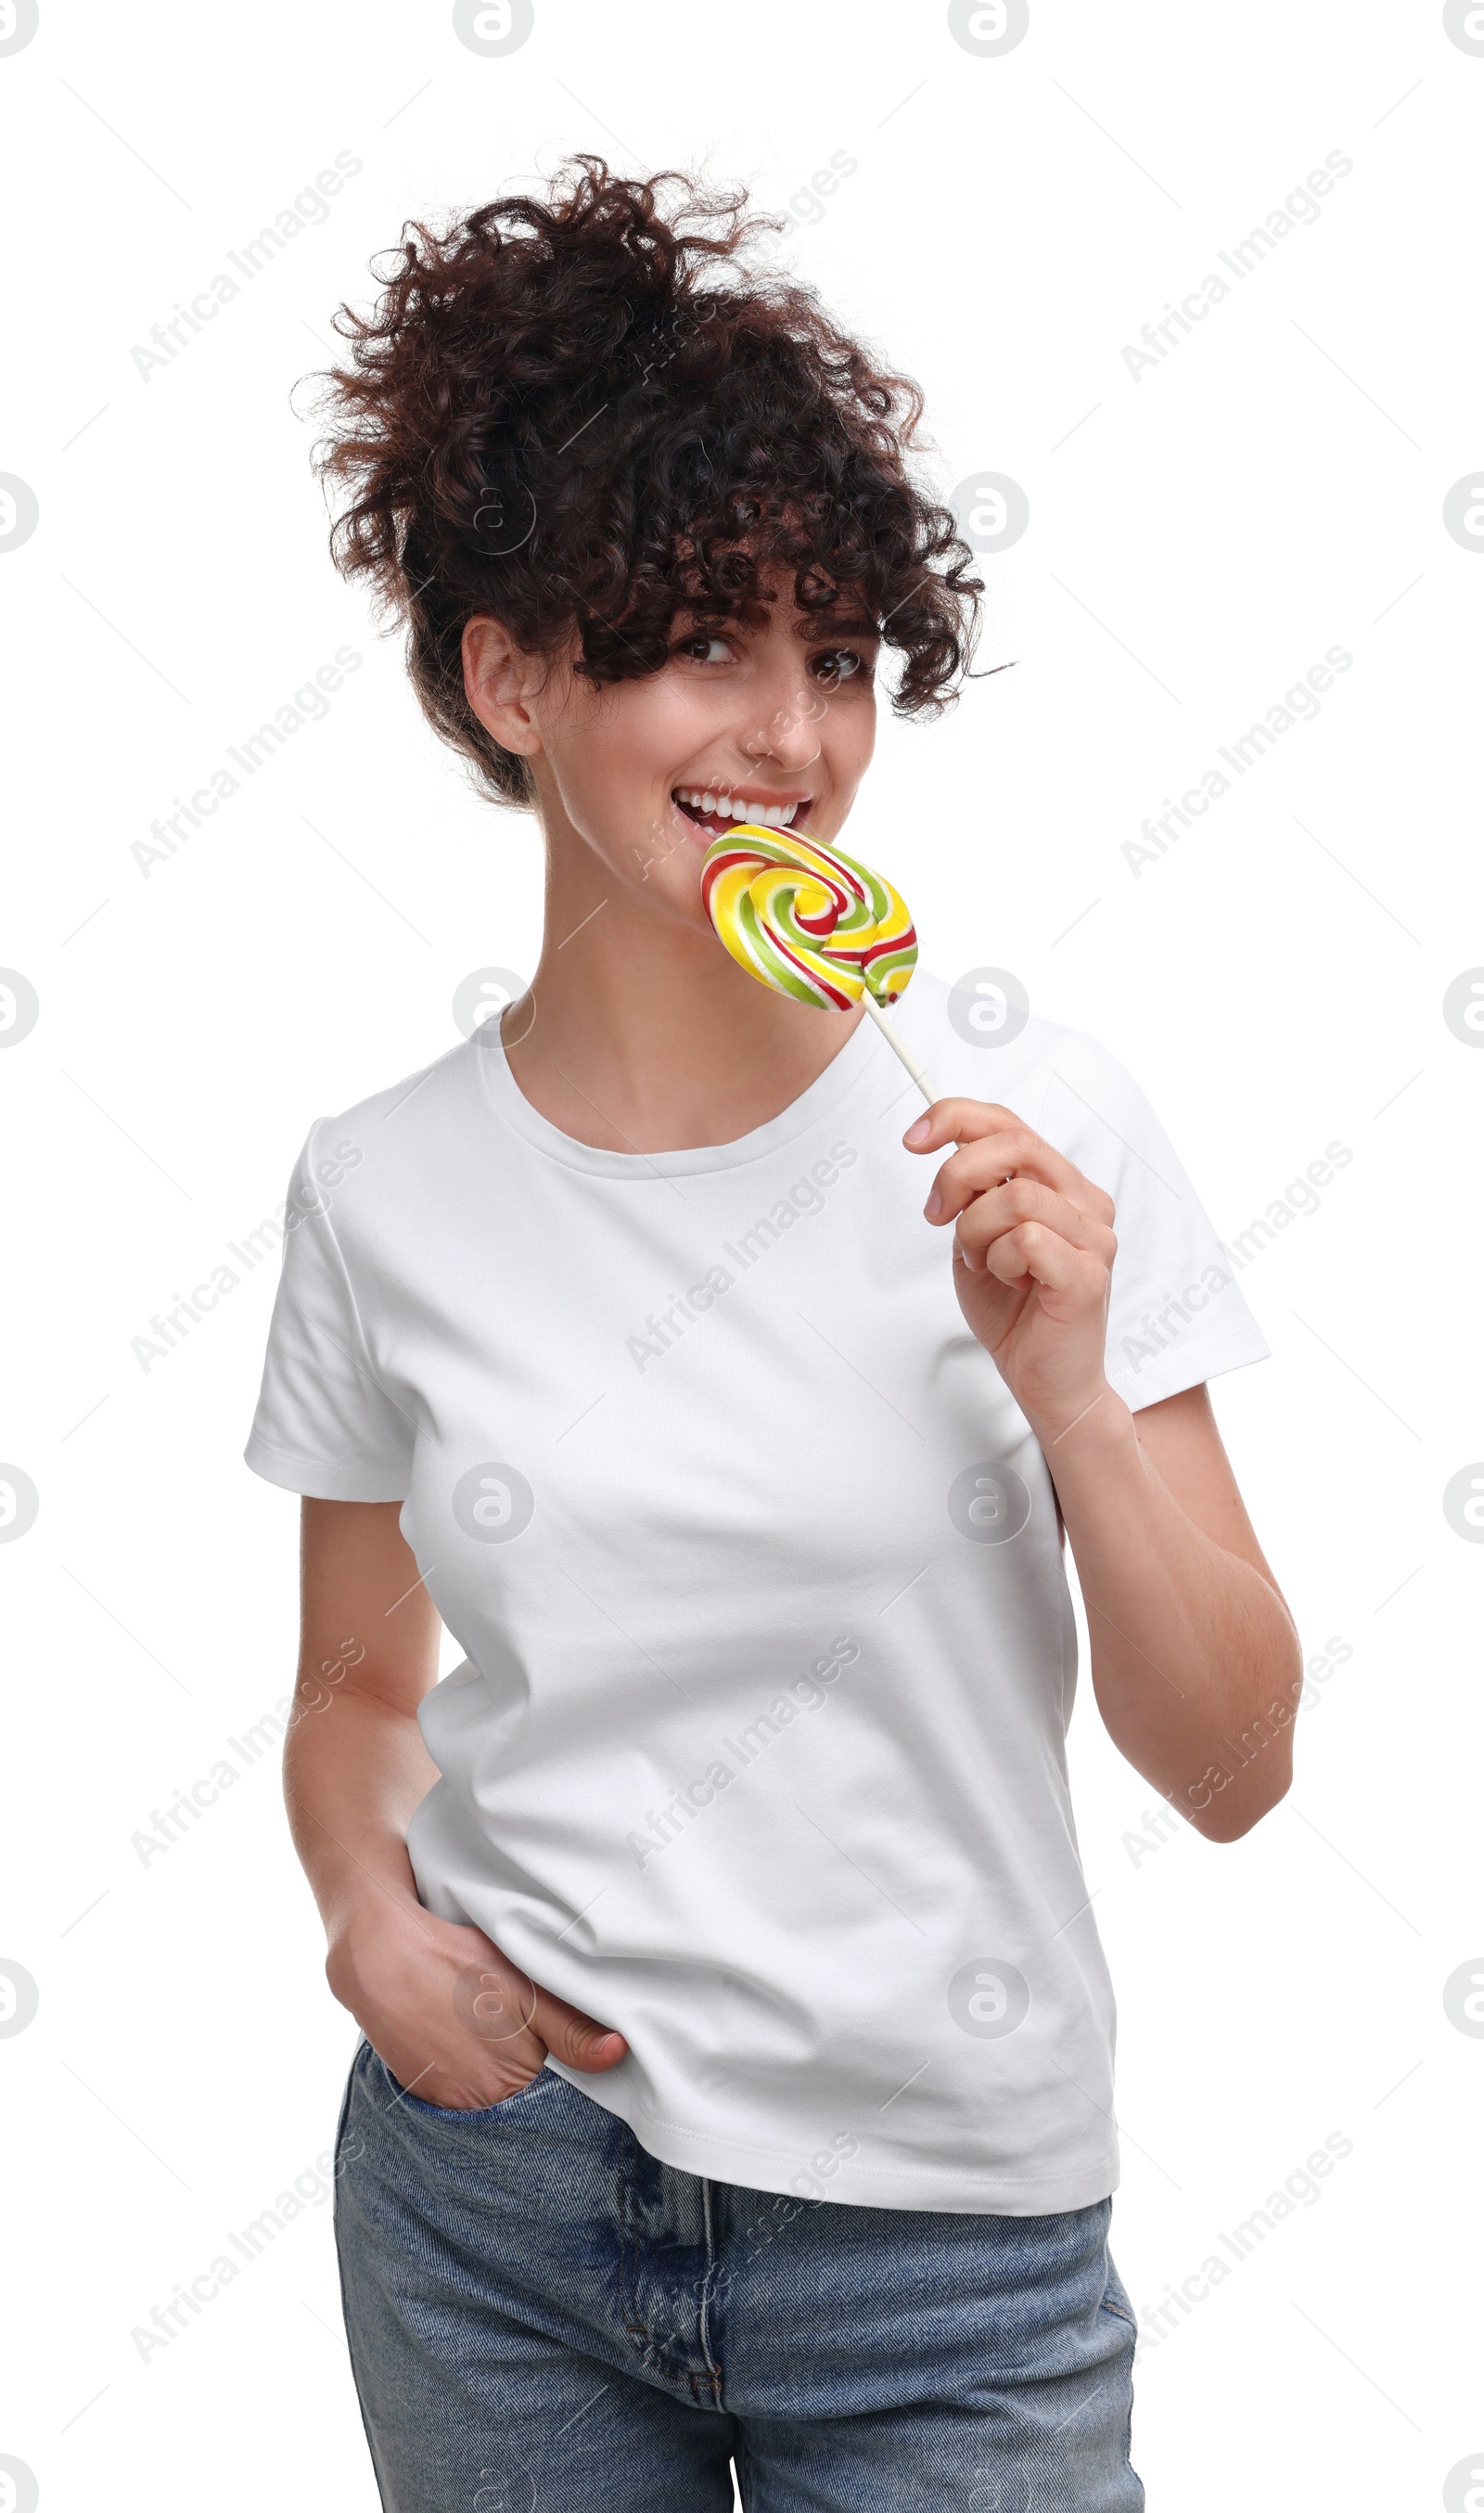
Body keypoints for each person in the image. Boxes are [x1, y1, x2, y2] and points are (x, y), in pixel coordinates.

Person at [245, 158, 1300, 2512]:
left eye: (837, 656)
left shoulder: (1042, 1131)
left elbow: (1235, 1766)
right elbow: (349, 1693)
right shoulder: (377, 1185)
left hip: (946, 2260)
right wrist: (364, 1924)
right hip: (495, 2206)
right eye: (700, 642)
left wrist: (1067, 1399)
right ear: (511, 676)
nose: (794, 737)